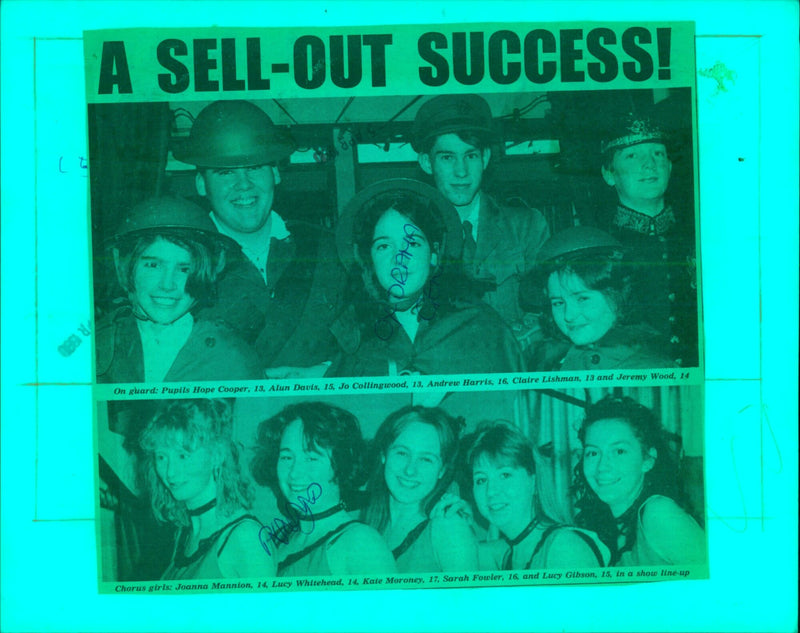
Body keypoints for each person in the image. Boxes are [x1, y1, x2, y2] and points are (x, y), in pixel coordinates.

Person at [173, 99, 345, 372]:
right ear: (201, 185)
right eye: (226, 172)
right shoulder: (179, 262)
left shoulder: (326, 246)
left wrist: (325, 371)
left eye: (255, 167)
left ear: (275, 173)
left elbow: (362, 336)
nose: (243, 185)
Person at [329, 178, 524, 377]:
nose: (399, 257)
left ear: (434, 254)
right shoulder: (350, 335)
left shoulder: (482, 327)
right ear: (368, 260)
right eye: (384, 246)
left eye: (412, 244)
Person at [412, 94, 550, 327]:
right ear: (427, 162)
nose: (461, 171)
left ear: (485, 158)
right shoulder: (412, 236)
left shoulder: (526, 227)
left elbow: (550, 309)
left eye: (471, 155)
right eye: (447, 157)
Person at [95, 196, 261, 383]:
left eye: (185, 269)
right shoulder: (97, 343)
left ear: (208, 273)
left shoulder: (232, 357)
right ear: (123, 266)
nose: (167, 285)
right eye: (152, 265)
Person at [251, 402, 397, 576]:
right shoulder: (280, 540)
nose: (294, 473)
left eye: (311, 458)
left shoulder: (360, 542)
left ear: (341, 464)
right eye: (286, 457)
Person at [599, 113, 699, 366]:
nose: (649, 164)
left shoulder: (703, 236)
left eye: (657, 153)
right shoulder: (597, 248)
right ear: (609, 174)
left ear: (670, 166)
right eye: (632, 155)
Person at [139, 399, 272, 580]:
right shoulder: (183, 535)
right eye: (161, 457)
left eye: (182, 455)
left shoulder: (246, 537)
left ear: (216, 456)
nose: (170, 472)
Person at [574, 395, 706, 566]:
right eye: (592, 452)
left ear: (648, 460)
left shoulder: (659, 513)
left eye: (619, 451)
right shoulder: (608, 525)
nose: (601, 467)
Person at [520, 226, 675, 370]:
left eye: (582, 299)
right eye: (558, 303)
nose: (568, 315)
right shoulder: (544, 356)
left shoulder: (652, 367)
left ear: (618, 298)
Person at [463, 422, 609, 570]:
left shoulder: (564, 546)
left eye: (505, 475)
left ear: (533, 481)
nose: (491, 491)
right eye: (481, 480)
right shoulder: (509, 553)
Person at [363, 406, 478, 572]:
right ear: (384, 455)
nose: (410, 470)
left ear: (442, 470)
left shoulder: (448, 526)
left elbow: (470, 598)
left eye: (426, 459)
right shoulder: (368, 524)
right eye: (402, 453)